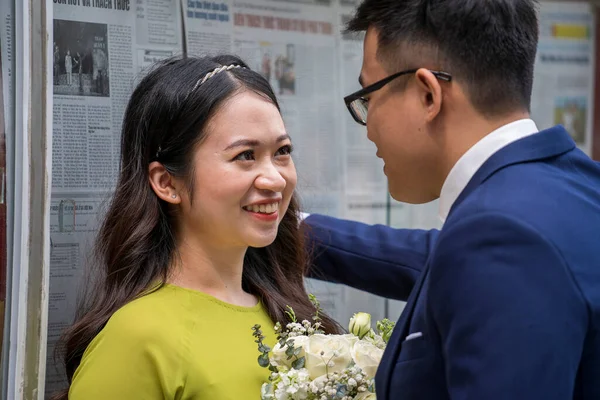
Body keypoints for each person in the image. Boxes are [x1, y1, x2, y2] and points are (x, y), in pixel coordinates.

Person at [303, 0, 600, 399]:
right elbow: (434, 257)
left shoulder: (500, 236)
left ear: (428, 95)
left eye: (368, 97)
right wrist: (294, 227)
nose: (368, 126)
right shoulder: (570, 185)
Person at [52, 55, 340, 400]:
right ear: (167, 182)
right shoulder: (137, 337)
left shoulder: (293, 315)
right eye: (245, 155)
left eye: (282, 151)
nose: (275, 178)